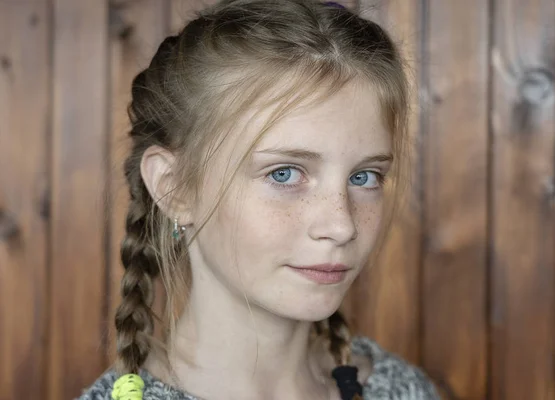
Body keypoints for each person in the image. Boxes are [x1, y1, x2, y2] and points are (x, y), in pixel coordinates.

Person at [78, 0, 440, 399]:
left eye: (364, 176)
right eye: (283, 174)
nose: (342, 225)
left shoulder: (401, 390)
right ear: (174, 186)